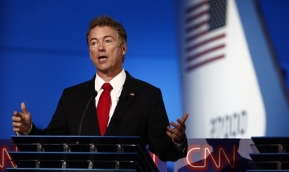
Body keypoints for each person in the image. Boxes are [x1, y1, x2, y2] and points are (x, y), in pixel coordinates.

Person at [12, 15, 188, 162]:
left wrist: (177, 141)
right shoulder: (72, 97)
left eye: (108, 41)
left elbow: (164, 151)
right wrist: (29, 130)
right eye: (94, 43)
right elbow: (52, 143)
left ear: (123, 49)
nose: (101, 48)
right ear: (90, 53)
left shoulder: (147, 95)